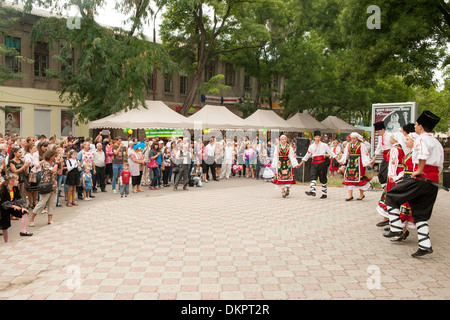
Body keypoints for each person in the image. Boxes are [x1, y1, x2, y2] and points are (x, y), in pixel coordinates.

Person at [384, 111, 444, 257]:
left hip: (421, 178)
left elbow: (422, 155)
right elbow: (440, 165)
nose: (415, 127)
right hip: (433, 181)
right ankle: (425, 245)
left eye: (416, 124)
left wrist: (419, 170)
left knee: (391, 196)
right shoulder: (436, 142)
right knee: (420, 213)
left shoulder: (422, 139)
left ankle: (397, 227)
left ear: (421, 126)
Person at [387, 132, 417, 242]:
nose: (405, 141)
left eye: (408, 140)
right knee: (404, 205)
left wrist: (394, 176)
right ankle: (402, 231)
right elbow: (406, 169)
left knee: (407, 206)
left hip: (411, 181)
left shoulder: (416, 153)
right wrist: (397, 178)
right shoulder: (410, 152)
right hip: (406, 179)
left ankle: (401, 230)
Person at [376, 132, 407, 227]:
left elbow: (393, 162)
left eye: (392, 138)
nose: (390, 140)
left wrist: (391, 175)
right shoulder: (402, 148)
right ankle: (391, 220)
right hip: (401, 171)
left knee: (390, 194)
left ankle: (391, 221)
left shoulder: (394, 149)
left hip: (394, 173)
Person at [297, 131, 337, 199]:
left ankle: (324, 193)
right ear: (314, 138)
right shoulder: (311, 146)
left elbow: (330, 153)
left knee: (322, 177)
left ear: (320, 138)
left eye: (319, 137)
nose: (317, 138)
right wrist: (300, 163)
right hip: (314, 163)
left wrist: (337, 159)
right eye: (316, 137)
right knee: (313, 176)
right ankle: (312, 191)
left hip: (321, 163)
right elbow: (307, 155)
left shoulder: (324, 145)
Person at [29, 149, 59, 227]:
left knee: (52, 203)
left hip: (53, 185)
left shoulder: (53, 163)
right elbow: (53, 170)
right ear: (50, 156)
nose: (55, 157)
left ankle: (50, 219)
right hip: (46, 185)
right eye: (54, 155)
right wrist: (57, 163)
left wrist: (60, 163)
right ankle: (32, 218)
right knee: (42, 203)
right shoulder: (45, 163)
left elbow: (58, 172)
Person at [338, 132, 371, 201]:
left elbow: (365, 154)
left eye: (354, 139)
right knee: (349, 177)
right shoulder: (349, 145)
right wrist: (342, 160)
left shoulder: (361, 145)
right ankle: (350, 195)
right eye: (351, 139)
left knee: (359, 177)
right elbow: (346, 154)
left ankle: (361, 194)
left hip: (359, 162)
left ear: (357, 139)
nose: (352, 140)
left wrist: (366, 162)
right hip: (351, 162)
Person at [1, 173, 32, 242]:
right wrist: (13, 206)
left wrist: (22, 207)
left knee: (24, 212)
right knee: (5, 225)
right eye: (16, 180)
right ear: (11, 181)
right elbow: (3, 202)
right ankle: (6, 241)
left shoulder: (15, 188)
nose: (18, 182)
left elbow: (18, 198)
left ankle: (23, 231)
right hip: (3, 208)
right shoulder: (4, 190)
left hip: (11, 206)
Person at [369, 121, 392, 186]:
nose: (378, 133)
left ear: (383, 129)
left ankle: (388, 187)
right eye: (376, 132)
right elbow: (378, 149)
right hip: (385, 156)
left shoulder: (390, 136)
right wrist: (373, 160)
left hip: (391, 156)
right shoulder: (380, 137)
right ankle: (384, 187)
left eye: (378, 132)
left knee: (386, 173)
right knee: (381, 173)